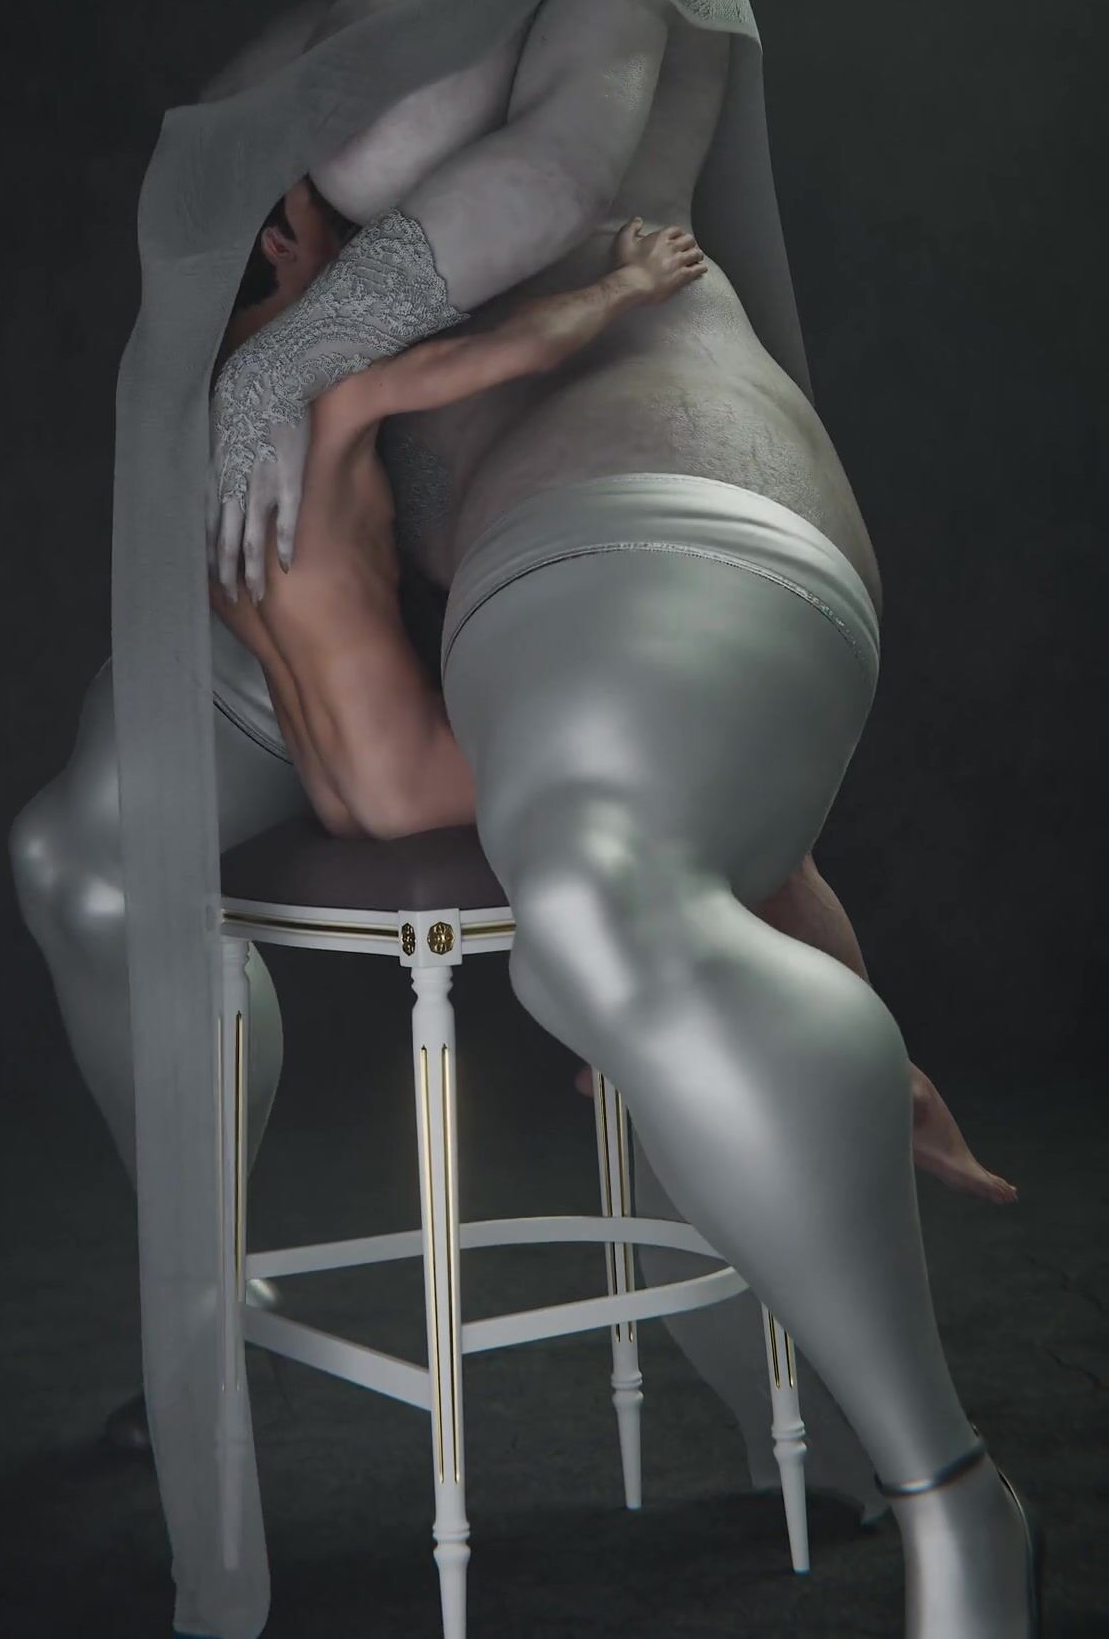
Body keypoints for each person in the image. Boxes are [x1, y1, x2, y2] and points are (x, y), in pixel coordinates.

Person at [12, 0, 1042, 1634]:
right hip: (365, 526)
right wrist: (279, 381)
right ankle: (198, 1340)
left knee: (593, 888)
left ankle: (949, 1489)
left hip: (623, 443)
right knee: (88, 861)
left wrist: (288, 356)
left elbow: (571, 168)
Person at [216, 173, 1015, 1207]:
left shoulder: (211, 442)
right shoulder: (317, 393)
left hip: (340, 793)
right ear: (278, 242)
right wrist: (626, 286)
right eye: (326, 216)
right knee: (733, 815)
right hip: (421, 778)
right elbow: (503, 355)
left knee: (661, 800)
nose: (355, 233)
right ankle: (881, 1091)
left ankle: (642, 1037)